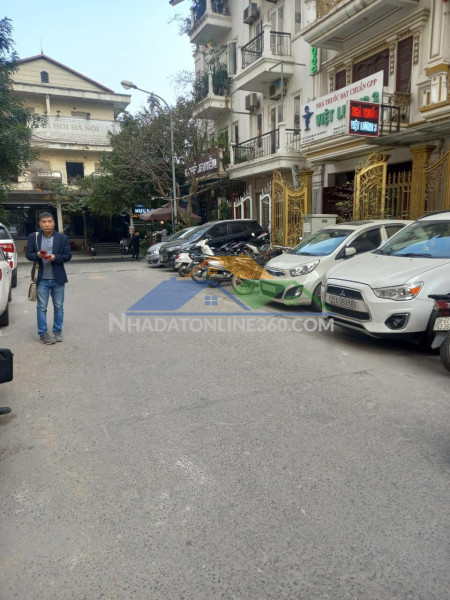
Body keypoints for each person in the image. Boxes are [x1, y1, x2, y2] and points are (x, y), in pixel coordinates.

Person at [26, 212, 72, 344]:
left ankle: (57, 331)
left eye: (50, 221)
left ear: (54, 223)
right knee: (41, 307)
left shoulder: (62, 238)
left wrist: (55, 257)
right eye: (44, 221)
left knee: (58, 306)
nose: (47, 224)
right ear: (40, 224)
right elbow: (28, 255)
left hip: (58, 278)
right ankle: (43, 334)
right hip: (41, 279)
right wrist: (37, 255)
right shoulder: (33, 237)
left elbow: (68, 256)